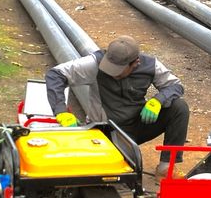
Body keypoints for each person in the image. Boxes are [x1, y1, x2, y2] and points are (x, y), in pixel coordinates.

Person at [45, 35, 189, 177]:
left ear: (135, 63)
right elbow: (55, 75)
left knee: (179, 107)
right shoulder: (95, 63)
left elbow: (175, 86)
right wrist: (61, 112)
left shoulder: (151, 66)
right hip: (107, 131)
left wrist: (158, 100)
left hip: (139, 124)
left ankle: (165, 169)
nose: (111, 73)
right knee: (118, 172)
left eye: (118, 70)